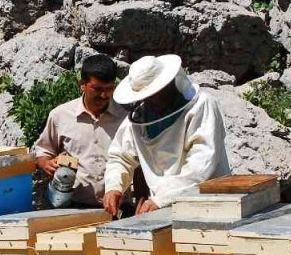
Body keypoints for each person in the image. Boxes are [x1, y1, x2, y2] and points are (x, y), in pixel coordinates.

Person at [102, 54, 231, 216]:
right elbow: (120, 156)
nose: (148, 101)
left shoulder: (201, 106)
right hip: (161, 206)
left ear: (167, 85)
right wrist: (114, 186)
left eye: (153, 95)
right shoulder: (140, 118)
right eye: (144, 97)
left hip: (208, 203)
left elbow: (201, 165)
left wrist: (161, 199)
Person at [31, 55, 127, 208]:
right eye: (97, 89)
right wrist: (47, 164)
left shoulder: (126, 117)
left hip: (121, 208)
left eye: (109, 89)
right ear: (82, 84)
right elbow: (43, 151)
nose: (104, 95)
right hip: (74, 207)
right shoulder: (60, 116)